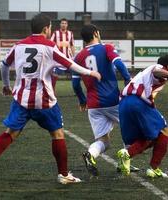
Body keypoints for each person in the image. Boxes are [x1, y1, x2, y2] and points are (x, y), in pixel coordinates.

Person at [0, 14, 101, 184]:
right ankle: (63, 175)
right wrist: (90, 72)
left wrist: (6, 85)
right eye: (49, 28)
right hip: (44, 101)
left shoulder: (18, 45)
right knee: (57, 134)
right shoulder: (49, 46)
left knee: (10, 133)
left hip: (21, 100)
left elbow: (3, 65)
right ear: (45, 29)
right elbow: (70, 65)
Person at [73, 24, 131, 177]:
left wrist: (82, 100)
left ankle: (91, 154)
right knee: (131, 128)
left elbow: (75, 83)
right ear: (96, 33)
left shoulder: (78, 57)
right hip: (112, 100)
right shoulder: (106, 48)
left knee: (104, 142)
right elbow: (118, 64)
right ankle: (123, 165)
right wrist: (127, 80)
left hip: (93, 105)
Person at [117, 55, 168, 178]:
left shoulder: (147, 76)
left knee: (153, 135)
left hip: (124, 104)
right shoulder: (158, 69)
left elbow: (151, 96)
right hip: (137, 103)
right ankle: (153, 168)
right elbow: (157, 70)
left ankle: (127, 153)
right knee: (165, 130)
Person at [50, 18, 86, 108]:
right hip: (58, 60)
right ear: (60, 24)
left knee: (77, 74)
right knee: (53, 76)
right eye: (62, 23)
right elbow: (51, 44)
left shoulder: (70, 34)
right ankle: (52, 94)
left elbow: (72, 45)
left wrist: (74, 56)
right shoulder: (55, 33)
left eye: (65, 23)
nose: (64, 24)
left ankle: (80, 93)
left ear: (67, 25)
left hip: (68, 59)